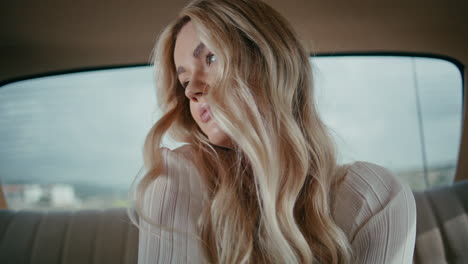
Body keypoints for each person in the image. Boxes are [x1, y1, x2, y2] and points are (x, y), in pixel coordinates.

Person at [129, 0, 416, 263]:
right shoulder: (177, 179)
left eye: (211, 58)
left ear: (271, 63)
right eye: (185, 79)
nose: (192, 89)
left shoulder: (373, 197)